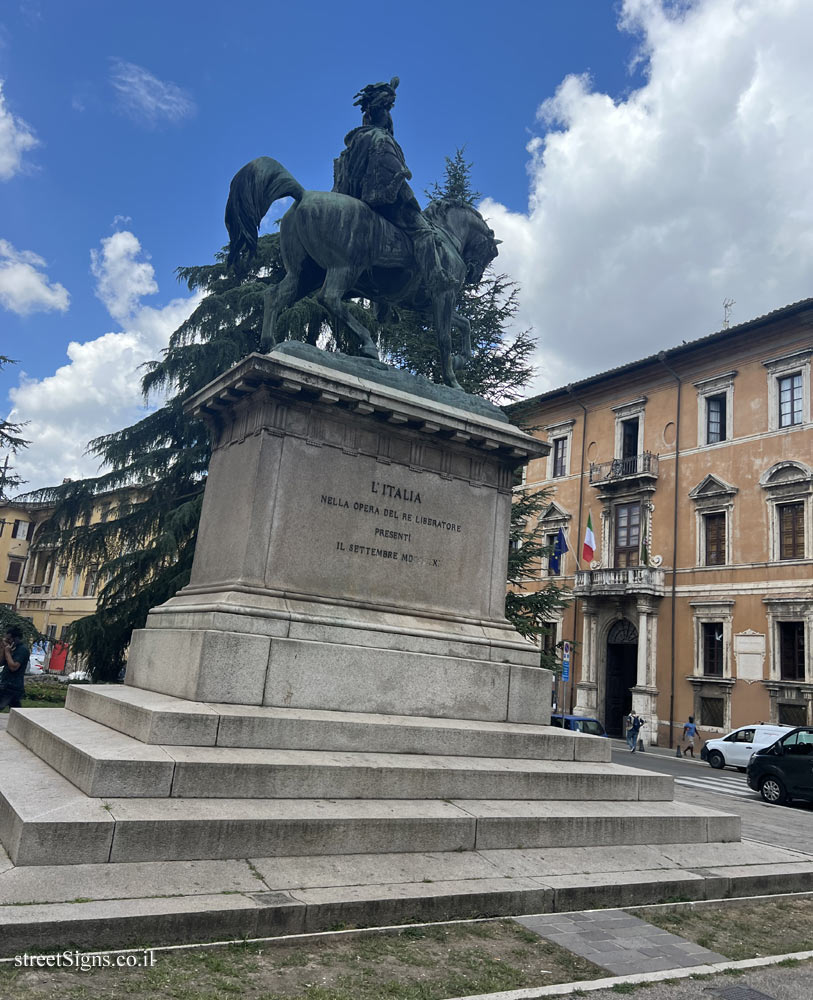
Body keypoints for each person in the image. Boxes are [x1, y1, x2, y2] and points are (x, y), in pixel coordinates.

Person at [333, 78, 452, 292]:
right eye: (388, 110)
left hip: (355, 197)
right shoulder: (381, 139)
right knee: (424, 231)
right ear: (382, 113)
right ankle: (436, 276)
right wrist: (406, 190)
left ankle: (384, 303)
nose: (390, 117)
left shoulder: (358, 140)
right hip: (383, 201)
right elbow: (390, 176)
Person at [0, 626, 29, 712]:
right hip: (6, 683)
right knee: (16, 710)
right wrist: (3, 649)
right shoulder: (11, 648)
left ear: (16, 638)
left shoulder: (22, 650)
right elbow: (1, 663)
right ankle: (21, 722)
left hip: (12, 686)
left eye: (9, 639)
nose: (7, 641)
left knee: (14, 708)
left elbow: (14, 667)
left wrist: (8, 653)